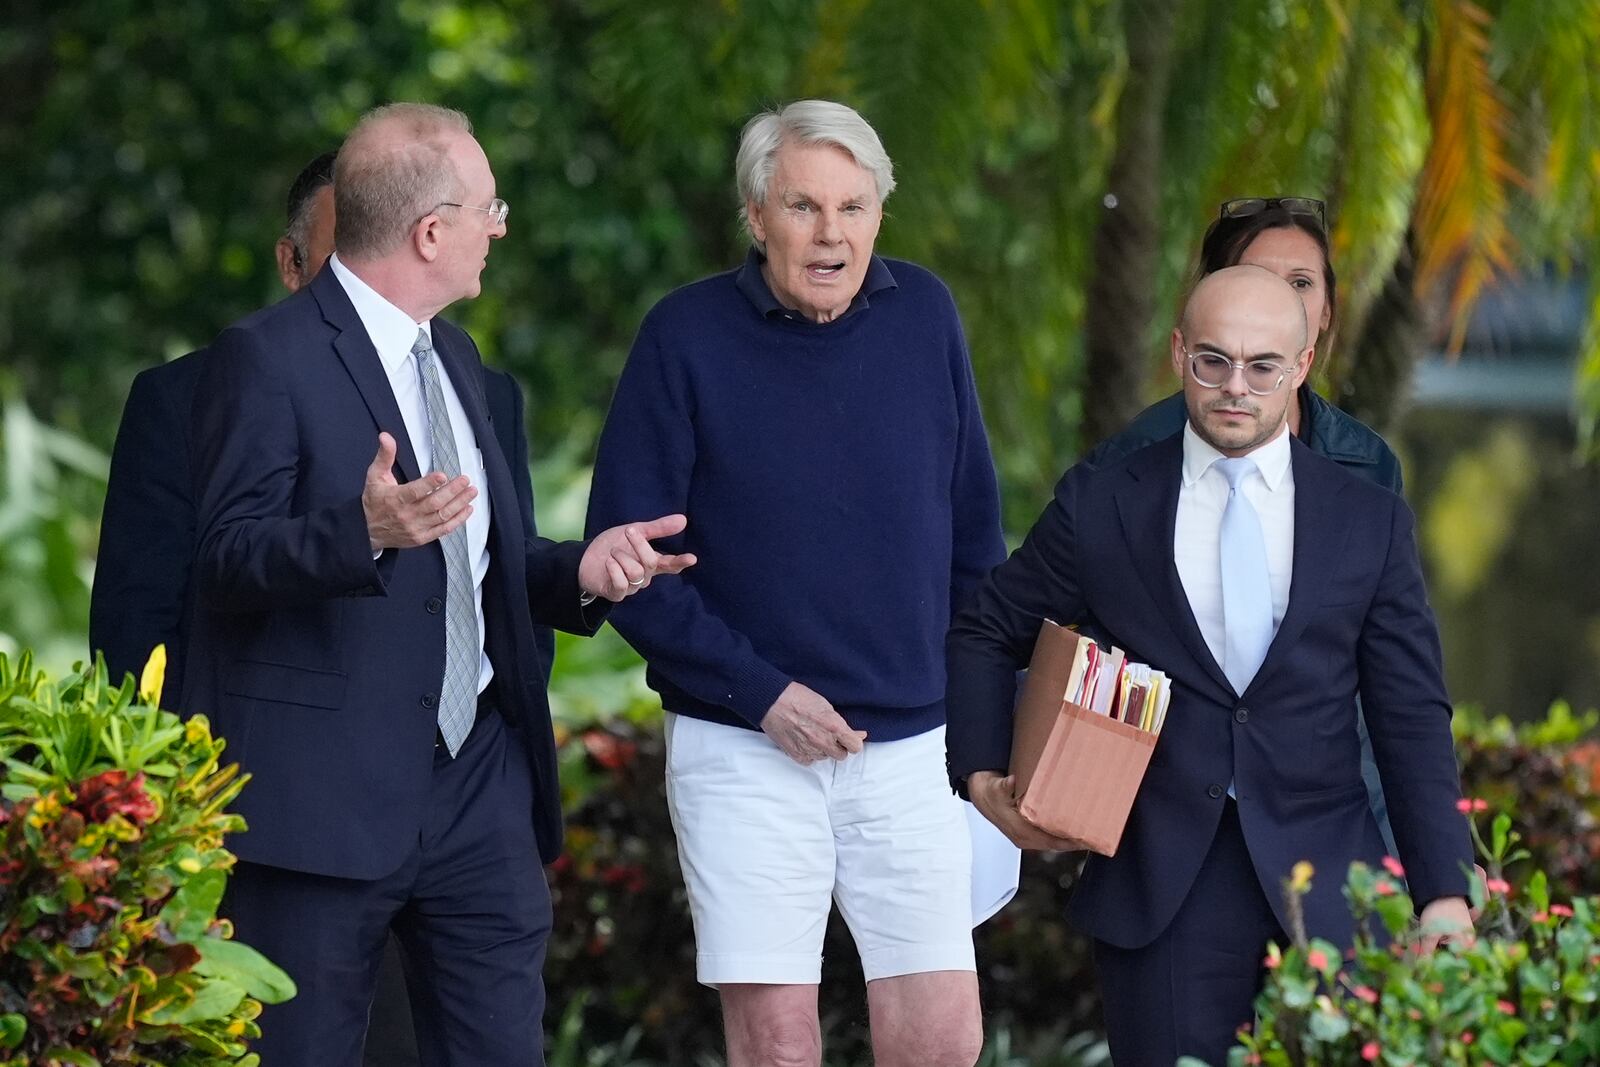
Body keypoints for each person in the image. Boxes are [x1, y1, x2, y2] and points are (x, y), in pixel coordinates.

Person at [184, 102, 692, 1066]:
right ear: (430, 232)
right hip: (323, 805)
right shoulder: (266, 356)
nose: (499, 228)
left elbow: (474, 560)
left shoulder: (455, 358)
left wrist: (578, 570)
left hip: (480, 792)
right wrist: (360, 531)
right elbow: (223, 558)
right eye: (490, 209)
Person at [947, 265, 1474, 1067]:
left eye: (1262, 366)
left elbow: (1410, 715)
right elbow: (987, 626)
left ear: (1301, 366)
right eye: (1212, 361)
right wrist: (982, 773)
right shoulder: (1105, 501)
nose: (1236, 387)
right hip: (1161, 885)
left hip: (1333, 884)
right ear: (1177, 353)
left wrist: (1443, 891)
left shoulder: (1369, 521)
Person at [585, 100, 1003, 1067]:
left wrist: (991, 715)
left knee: (944, 1041)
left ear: (879, 215)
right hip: (744, 746)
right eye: (805, 207)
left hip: (914, 750)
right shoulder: (682, 336)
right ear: (755, 215)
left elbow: (976, 546)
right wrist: (763, 694)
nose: (832, 234)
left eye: (854, 207)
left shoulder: (927, 315)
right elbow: (630, 569)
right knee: (775, 1049)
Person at [1085, 196, 1402, 852]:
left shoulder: (1367, 467)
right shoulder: (1132, 464)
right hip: (1179, 813)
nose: (1277, 300)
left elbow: (1387, 670)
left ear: (1326, 318)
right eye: (1254, 279)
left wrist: (1417, 853)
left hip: (1331, 808)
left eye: (1301, 284)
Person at [91, 151, 337, 689]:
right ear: (291, 264)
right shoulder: (180, 399)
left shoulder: (483, 396)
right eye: (344, 256)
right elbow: (136, 622)